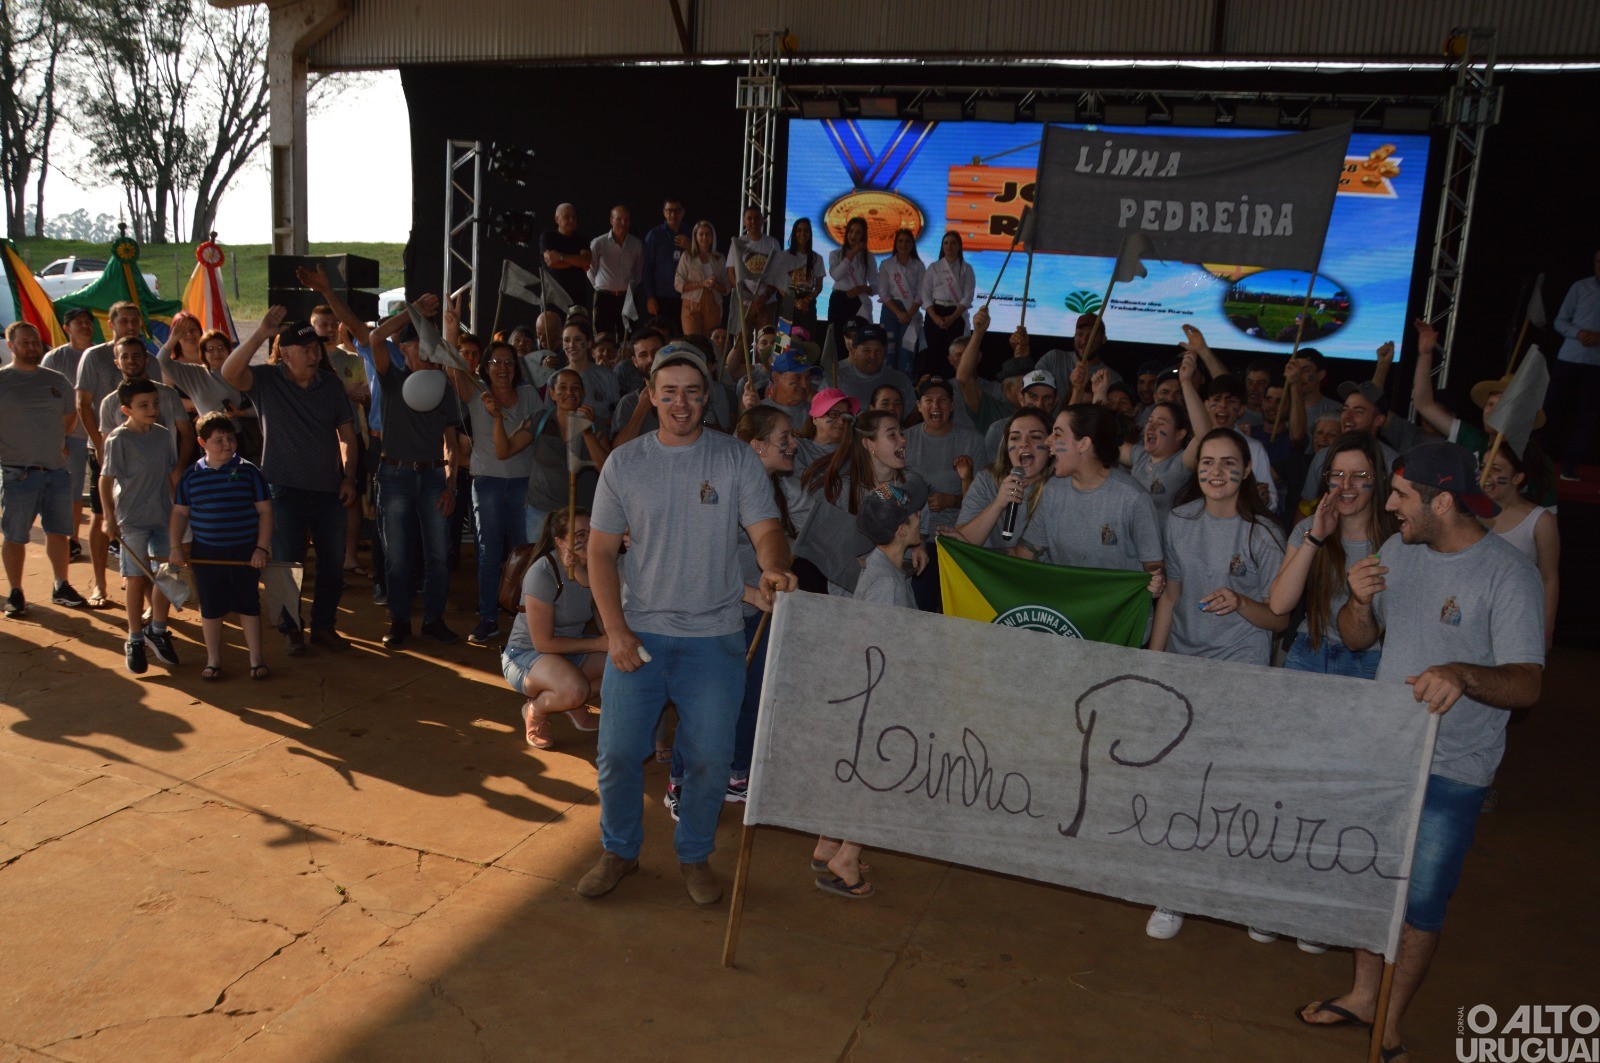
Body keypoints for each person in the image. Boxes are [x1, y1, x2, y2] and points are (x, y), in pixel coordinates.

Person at [1298, 441, 1544, 1063]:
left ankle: (1390, 1023)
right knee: (1368, 884)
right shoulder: (1397, 551)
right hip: (1385, 757)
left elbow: (1528, 684)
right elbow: (1360, 640)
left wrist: (1462, 673)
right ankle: (1361, 995)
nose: (1388, 505)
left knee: (1422, 902)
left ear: (1442, 499)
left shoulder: (1508, 575)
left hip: (1455, 770)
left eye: (1401, 496)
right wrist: (1356, 601)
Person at [578, 342, 796, 906]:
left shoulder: (735, 459)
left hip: (715, 636)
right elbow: (600, 553)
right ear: (650, 396)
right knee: (620, 754)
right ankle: (620, 850)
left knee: (708, 758)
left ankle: (694, 855)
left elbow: (766, 529)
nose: (681, 403)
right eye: (668, 392)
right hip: (640, 636)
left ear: (707, 398)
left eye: (692, 393)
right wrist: (616, 630)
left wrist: (773, 568)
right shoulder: (626, 463)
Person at [1144, 428, 1288, 943]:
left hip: (1241, 670)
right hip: (1186, 666)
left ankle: (1247, 896)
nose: (1216, 473)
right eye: (1207, 463)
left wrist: (1242, 604)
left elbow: (1278, 620)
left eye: (1229, 464)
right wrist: (1154, 665)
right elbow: (1171, 594)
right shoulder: (1179, 521)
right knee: (1182, 784)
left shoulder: (1265, 536)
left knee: (1235, 787)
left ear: (1247, 471)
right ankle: (1176, 891)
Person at [665, 406, 813, 816]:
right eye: (784, 437)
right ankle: (681, 782)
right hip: (717, 612)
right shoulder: (716, 492)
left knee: (753, 695)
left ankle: (737, 771)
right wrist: (749, 592)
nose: (794, 444)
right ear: (756, 445)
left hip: (757, 611)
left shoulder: (773, 489)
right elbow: (699, 561)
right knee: (707, 701)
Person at [221, 309, 358, 655]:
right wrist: (260, 333)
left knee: (331, 562)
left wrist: (349, 477)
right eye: (305, 349)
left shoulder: (331, 386)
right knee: (286, 564)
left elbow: (347, 436)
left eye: (315, 349)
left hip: (329, 489)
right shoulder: (266, 380)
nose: (313, 355)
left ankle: (324, 626)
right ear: (285, 353)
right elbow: (228, 372)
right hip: (282, 490)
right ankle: (291, 630)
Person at [367, 299, 465, 648]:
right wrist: (413, 314)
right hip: (394, 477)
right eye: (415, 347)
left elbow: (451, 445)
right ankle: (399, 620)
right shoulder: (391, 380)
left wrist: (451, 485)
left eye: (427, 348)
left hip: (434, 478)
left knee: (439, 555)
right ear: (403, 350)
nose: (421, 355)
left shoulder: (443, 390)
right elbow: (375, 338)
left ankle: (434, 619)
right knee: (397, 555)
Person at [1270, 431, 1394, 679]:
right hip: (1310, 645)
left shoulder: (1394, 541)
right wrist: (1315, 539)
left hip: (1369, 657)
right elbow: (1279, 605)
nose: (1346, 485)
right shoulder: (1307, 528)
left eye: (1359, 476)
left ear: (1379, 478)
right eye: (1337, 475)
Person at [1014, 404, 1165, 596]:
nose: (1048, 441)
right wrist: (969, 555)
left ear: (1083, 444)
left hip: (1116, 619)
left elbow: (1153, 565)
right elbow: (1024, 554)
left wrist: (1156, 581)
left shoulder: (1132, 498)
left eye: (1058, 434)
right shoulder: (1052, 491)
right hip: (1069, 616)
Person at [168, 412, 272, 681]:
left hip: (245, 551)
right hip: (207, 553)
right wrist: (175, 546)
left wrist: (261, 548)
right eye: (218, 440)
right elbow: (180, 514)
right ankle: (213, 660)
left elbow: (265, 512)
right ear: (202, 443)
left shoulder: (250, 472)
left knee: (248, 604)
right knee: (211, 607)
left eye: (230, 438)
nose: (227, 444)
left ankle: (256, 659)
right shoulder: (191, 476)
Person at [455, 339, 541, 646]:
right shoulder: (476, 392)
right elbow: (452, 365)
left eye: (508, 362)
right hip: (488, 482)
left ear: (517, 367)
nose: (502, 368)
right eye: (496, 362)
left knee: (524, 554)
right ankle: (488, 619)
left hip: (524, 483)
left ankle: (525, 621)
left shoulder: (530, 396)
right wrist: (451, 324)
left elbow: (539, 434)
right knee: (488, 555)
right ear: (485, 367)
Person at [0, 322, 88, 616]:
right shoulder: (3, 380)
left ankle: (61, 585)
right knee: (15, 536)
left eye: (35, 342)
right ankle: (15, 591)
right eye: (24, 342)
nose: (32, 347)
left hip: (56, 471)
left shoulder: (56, 380)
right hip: (18, 473)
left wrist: (53, 443)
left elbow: (69, 417)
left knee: (59, 533)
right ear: (10, 346)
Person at [501, 508, 607, 750]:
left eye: (592, 533)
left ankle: (572, 703)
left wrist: (610, 638)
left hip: (571, 650)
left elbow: (602, 616)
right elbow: (544, 643)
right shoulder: (542, 572)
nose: (588, 540)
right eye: (580, 535)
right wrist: (598, 643)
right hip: (527, 654)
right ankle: (536, 709)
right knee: (574, 688)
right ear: (559, 541)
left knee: (620, 664)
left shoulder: (594, 565)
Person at [795, 409, 930, 596]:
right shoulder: (842, 490)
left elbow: (920, 527)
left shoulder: (909, 485)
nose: (903, 440)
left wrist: (919, 544)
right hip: (851, 597)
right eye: (892, 435)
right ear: (868, 444)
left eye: (901, 433)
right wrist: (853, 564)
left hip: (895, 591)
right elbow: (824, 548)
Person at [99, 379, 180, 675]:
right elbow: (105, 479)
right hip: (131, 519)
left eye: (155, 403)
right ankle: (134, 637)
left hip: (163, 517)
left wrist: (181, 513)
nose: (152, 409)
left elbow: (172, 474)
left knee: (167, 575)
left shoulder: (162, 435)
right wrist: (109, 517)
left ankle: (157, 629)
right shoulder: (118, 440)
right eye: (143, 405)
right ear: (126, 409)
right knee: (135, 578)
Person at [75, 301, 151, 607]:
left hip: (144, 454)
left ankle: (139, 584)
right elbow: (83, 404)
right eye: (125, 321)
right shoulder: (94, 356)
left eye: (135, 321)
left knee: (140, 518)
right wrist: (100, 445)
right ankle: (100, 584)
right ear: (112, 324)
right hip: (104, 450)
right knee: (101, 515)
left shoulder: (147, 357)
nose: (131, 326)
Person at [494, 367, 610, 543]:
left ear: (583, 393)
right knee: (541, 563)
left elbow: (606, 469)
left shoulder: (595, 425)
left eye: (575, 388)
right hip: (541, 512)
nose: (569, 392)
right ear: (552, 394)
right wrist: (496, 418)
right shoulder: (540, 420)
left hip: (582, 514)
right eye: (562, 387)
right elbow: (504, 451)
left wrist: (586, 431)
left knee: (579, 565)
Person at [903, 376, 988, 610]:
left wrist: (953, 500)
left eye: (942, 400)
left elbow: (984, 503)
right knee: (921, 606)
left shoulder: (972, 440)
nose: (935, 406)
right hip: (914, 539)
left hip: (958, 538)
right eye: (928, 400)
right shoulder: (905, 439)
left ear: (952, 406)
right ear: (919, 406)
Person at [1482, 444, 1560, 651]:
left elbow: (1549, 577)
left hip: (1514, 620)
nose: (1485, 475)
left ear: (1517, 478)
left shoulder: (1540, 521)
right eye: (1483, 467)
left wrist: (1546, 630)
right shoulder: (1468, 512)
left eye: (1496, 469)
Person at [950, 408, 1053, 551]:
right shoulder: (986, 480)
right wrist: (998, 503)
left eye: (1035, 437)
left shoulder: (1060, 487)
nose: (1024, 444)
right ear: (1006, 447)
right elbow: (961, 543)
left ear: (1050, 447)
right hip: (989, 572)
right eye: (1015, 438)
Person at [40, 307, 96, 561]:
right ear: (66, 328)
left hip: (100, 433)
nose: (84, 326)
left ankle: (111, 537)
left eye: (88, 322)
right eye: (78, 322)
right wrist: (56, 435)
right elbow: (44, 398)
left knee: (103, 490)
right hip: (70, 434)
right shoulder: (54, 358)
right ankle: (72, 539)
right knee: (71, 490)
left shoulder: (102, 354)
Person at [1545, 248, 1600, 480]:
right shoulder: (1580, 287)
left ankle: (1570, 467)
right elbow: (1559, 321)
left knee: (1587, 416)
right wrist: (1578, 333)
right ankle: (1541, 463)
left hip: (1597, 364)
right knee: (1551, 411)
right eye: (1598, 261)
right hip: (1569, 358)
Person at [1119, 400, 1193, 523]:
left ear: (1179, 434)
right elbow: (1105, 442)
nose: (1151, 426)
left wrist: (1186, 383)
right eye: (1149, 421)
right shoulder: (1141, 456)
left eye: (1160, 423)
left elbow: (1202, 434)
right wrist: (1100, 393)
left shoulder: (1181, 462)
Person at [918, 231, 975, 378]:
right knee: (934, 352)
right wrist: (935, 317)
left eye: (953, 243)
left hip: (956, 313)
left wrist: (953, 317)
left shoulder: (966, 269)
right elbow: (925, 294)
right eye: (946, 243)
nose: (949, 246)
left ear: (959, 246)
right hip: (935, 312)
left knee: (955, 355)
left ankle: (953, 388)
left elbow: (968, 296)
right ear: (942, 246)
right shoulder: (934, 267)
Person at [834, 322, 915, 415]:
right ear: (854, 351)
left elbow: (912, 417)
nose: (872, 356)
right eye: (866, 351)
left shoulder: (900, 380)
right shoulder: (837, 378)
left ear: (884, 351)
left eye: (878, 351)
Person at [589, 205, 643, 337]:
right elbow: (591, 270)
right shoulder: (598, 243)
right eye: (619, 219)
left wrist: (630, 289)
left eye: (626, 219)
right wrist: (600, 286)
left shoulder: (637, 244)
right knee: (602, 337)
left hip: (627, 298)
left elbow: (639, 272)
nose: (623, 223)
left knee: (627, 337)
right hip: (604, 297)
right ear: (611, 220)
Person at [877, 228, 925, 376]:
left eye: (907, 241)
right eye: (900, 241)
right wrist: (898, 312)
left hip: (911, 311)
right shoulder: (886, 264)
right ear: (895, 243)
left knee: (907, 351)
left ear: (912, 244)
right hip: (891, 310)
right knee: (888, 351)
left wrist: (909, 313)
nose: (904, 244)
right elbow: (883, 293)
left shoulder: (918, 265)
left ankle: (905, 388)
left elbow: (922, 292)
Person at [728, 205, 780, 332]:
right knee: (741, 343)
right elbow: (731, 274)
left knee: (765, 343)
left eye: (756, 218)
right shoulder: (738, 243)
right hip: (744, 302)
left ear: (762, 220)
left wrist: (764, 297)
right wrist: (748, 296)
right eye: (749, 218)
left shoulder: (773, 243)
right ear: (744, 221)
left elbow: (778, 275)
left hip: (767, 302)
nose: (753, 222)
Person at [674, 220, 728, 338]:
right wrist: (702, 283)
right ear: (695, 237)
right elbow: (678, 284)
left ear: (713, 237)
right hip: (691, 304)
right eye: (701, 234)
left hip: (713, 304)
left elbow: (727, 288)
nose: (704, 237)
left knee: (710, 342)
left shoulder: (719, 258)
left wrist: (715, 285)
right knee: (692, 342)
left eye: (708, 234)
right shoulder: (687, 256)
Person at [642, 197, 689, 332]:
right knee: (661, 335)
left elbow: (702, 260)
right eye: (669, 211)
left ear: (683, 212)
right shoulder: (655, 235)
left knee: (684, 337)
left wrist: (691, 247)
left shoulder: (691, 233)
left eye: (677, 210)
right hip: (661, 296)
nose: (673, 214)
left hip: (686, 296)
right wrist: (650, 296)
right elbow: (647, 268)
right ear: (664, 212)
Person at [540, 203, 594, 314]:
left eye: (574, 217)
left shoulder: (582, 239)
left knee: (578, 330)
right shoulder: (548, 236)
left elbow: (586, 261)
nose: (571, 220)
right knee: (552, 329)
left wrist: (560, 256)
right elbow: (552, 264)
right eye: (567, 216)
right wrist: (577, 262)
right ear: (557, 219)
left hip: (577, 297)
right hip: (552, 298)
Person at [827, 216, 877, 329]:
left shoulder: (868, 257)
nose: (853, 235)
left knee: (859, 340)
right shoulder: (835, 254)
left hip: (859, 301)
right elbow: (836, 275)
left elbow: (876, 286)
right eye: (851, 231)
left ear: (863, 235)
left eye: (858, 232)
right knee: (837, 339)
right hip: (839, 300)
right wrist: (853, 252)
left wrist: (863, 288)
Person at [795, 386, 858, 468]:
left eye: (846, 416)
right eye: (834, 414)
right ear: (815, 419)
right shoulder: (797, 448)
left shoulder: (855, 453)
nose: (841, 422)